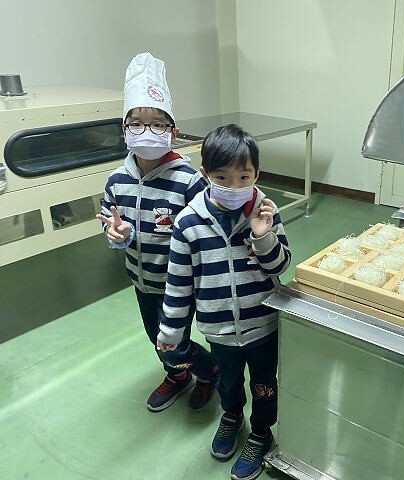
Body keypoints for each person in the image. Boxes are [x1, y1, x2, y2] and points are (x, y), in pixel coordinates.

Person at [157, 124, 291, 480]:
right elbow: (179, 282)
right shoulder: (188, 223)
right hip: (218, 329)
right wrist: (171, 330)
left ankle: (261, 432)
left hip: (263, 325)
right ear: (205, 174)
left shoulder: (266, 211)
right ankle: (232, 416)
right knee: (228, 383)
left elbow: (281, 266)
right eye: (222, 177)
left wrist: (263, 237)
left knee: (265, 384)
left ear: (256, 173)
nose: (234, 186)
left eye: (244, 177)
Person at [96, 52, 218, 413]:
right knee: (156, 337)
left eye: (158, 123)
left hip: (180, 283)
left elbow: (208, 231)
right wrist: (119, 235)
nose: (146, 130)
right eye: (136, 123)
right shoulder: (116, 180)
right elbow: (111, 222)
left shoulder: (189, 181)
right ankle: (178, 376)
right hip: (142, 279)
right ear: (124, 131)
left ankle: (208, 371)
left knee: (174, 340)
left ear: (173, 132)